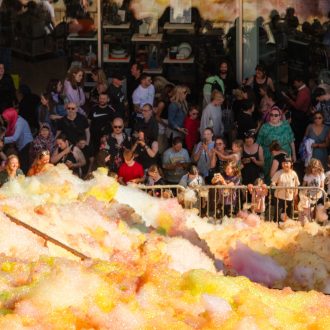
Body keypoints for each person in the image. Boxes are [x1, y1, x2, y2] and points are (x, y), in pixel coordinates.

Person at [256, 106, 296, 183]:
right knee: (270, 177)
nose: (273, 117)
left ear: (280, 116)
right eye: (271, 115)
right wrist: (261, 159)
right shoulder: (265, 127)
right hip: (269, 156)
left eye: (276, 115)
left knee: (285, 175)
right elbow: (260, 144)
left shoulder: (286, 125)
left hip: (285, 155)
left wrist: (294, 155)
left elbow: (291, 141)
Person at [282, 76, 311, 149]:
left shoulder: (303, 92)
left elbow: (297, 106)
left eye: (295, 82)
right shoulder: (305, 89)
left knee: (297, 136)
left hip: (299, 117)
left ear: (300, 82)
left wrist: (287, 98)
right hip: (302, 115)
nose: (294, 84)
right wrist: (292, 96)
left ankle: (296, 150)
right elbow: (300, 101)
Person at [2, 107, 33, 174]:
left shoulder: (19, 123)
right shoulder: (13, 120)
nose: (5, 120)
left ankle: (24, 179)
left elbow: (15, 138)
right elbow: (7, 132)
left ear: (10, 116)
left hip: (26, 144)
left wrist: (3, 139)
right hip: (20, 144)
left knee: (24, 163)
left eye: (6, 118)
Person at [271, 156, 300, 222]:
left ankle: (288, 228)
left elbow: (296, 185)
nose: (285, 165)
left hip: (290, 197)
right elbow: (273, 182)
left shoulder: (294, 174)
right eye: (283, 163)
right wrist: (273, 185)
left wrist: (295, 194)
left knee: (289, 215)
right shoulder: (278, 173)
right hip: (279, 197)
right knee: (278, 215)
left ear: (291, 164)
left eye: (287, 163)